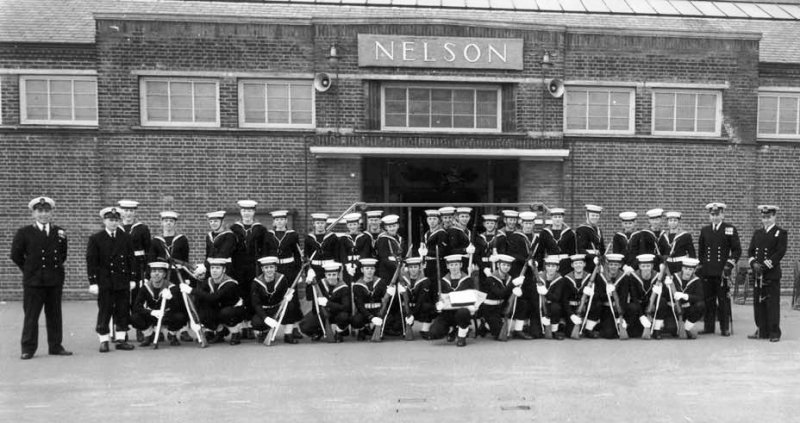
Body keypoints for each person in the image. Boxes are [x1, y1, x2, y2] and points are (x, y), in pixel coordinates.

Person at [11, 196, 71, 360]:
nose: (43, 214)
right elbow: (15, 255)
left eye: (46, 211)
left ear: (51, 213)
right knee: (31, 315)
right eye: (40, 211)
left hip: (54, 281)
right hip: (33, 282)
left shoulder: (59, 232)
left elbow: (62, 255)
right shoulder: (24, 233)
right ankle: (28, 348)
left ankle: (55, 346)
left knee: (54, 315)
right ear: (33, 214)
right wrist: (29, 269)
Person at [86, 207, 136, 352]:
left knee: (122, 309)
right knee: (105, 310)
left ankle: (121, 339)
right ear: (104, 221)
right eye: (110, 220)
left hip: (122, 280)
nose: (113, 223)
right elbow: (92, 262)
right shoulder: (96, 238)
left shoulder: (125, 237)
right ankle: (104, 339)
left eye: (116, 220)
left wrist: (132, 278)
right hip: (105, 281)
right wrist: (93, 282)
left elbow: (131, 259)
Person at [697, 202, 741, 336]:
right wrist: (701, 266)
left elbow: (737, 250)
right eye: (712, 215)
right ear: (709, 216)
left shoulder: (729, 229)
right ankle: (708, 327)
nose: (715, 217)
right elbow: (702, 251)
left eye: (717, 214)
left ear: (722, 214)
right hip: (708, 271)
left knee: (723, 301)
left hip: (722, 271)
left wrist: (729, 265)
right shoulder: (705, 230)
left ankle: (724, 327)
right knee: (708, 300)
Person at [181, 257, 245, 345]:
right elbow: (201, 296)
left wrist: (191, 290)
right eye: (212, 268)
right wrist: (190, 284)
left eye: (218, 268)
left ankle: (236, 333)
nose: (214, 271)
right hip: (219, 308)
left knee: (225, 313)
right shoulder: (209, 281)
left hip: (234, 310)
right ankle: (221, 331)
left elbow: (214, 297)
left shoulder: (230, 283)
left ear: (224, 270)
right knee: (202, 311)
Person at [747, 205, 787, 342]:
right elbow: (750, 251)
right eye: (764, 217)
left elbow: (780, 253)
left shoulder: (780, 233)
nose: (766, 220)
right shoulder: (757, 233)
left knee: (772, 304)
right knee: (758, 304)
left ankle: (774, 332)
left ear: (774, 216)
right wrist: (753, 264)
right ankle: (761, 330)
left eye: (769, 217)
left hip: (771, 274)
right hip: (758, 274)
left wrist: (764, 266)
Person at [262, 210, 304, 340]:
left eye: (282, 219)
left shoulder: (292, 235)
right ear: (274, 222)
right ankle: (271, 327)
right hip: (274, 269)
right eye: (277, 220)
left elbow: (297, 255)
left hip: (289, 269)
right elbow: (265, 253)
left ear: (286, 221)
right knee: (275, 295)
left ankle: (294, 327)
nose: (279, 222)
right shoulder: (268, 235)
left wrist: (299, 272)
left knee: (292, 297)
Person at [230, 200, 266, 339]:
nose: (247, 213)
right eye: (244, 211)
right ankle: (243, 325)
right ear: (240, 212)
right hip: (238, 267)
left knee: (254, 294)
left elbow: (264, 249)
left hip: (254, 267)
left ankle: (253, 324)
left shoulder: (260, 229)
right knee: (242, 295)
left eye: (250, 211)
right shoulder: (234, 228)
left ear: (254, 212)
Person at [129, 261, 187, 347]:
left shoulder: (172, 287)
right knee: (134, 318)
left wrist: (170, 298)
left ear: (164, 274)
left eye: (160, 271)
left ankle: (172, 334)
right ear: (150, 274)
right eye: (153, 271)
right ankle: (149, 335)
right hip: (152, 315)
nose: (156, 274)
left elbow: (179, 307)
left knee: (181, 317)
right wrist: (151, 312)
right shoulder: (145, 287)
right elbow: (136, 307)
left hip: (166, 315)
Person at [118, 200, 151, 342]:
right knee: (122, 299)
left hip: (138, 266)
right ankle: (122, 330)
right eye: (126, 210)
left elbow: (149, 250)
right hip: (122, 268)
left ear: (135, 212)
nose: (128, 213)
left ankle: (140, 328)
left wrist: (148, 270)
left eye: (131, 211)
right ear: (121, 212)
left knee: (138, 298)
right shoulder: (117, 228)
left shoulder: (142, 228)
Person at [429, 254, 477, 347]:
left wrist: (472, 305)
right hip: (447, 313)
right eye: (451, 265)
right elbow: (436, 297)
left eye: (456, 264)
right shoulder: (442, 281)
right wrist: (438, 305)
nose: (454, 267)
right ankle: (453, 330)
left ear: (461, 265)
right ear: (447, 266)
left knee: (463, 313)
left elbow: (472, 295)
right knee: (434, 333)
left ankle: (461, 336)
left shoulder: (468, 280)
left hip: (462, 311)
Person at [299, 262, 352, 342]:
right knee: (304, 326)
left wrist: (328, 303)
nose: (331, 277)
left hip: (337, 314)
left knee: (344, 317)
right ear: (325, 275)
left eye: (334, 275)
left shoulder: (343, 287)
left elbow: (346, 307)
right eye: (329, 275)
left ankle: (339, 332)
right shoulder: (320, 284)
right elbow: (309, 297)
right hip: (323, 313)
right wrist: (309, 283)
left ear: (338, 275)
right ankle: (320, 331)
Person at [250, 256, 298, 344]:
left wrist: (287, 297)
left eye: (271, 267)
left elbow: (285, 293)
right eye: (266, 267)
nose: (269, 270)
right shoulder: (256, 283)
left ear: (275, 268)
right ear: (262, 269)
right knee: (256, 322)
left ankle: (288, 334)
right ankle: (264, 332)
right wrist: (265, 318)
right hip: (264, 310)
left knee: (291, 305)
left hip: (278, 307)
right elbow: (256, 304)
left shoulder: (282, 279)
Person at [479, 254, 521, 340]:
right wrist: (513, 285)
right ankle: (485, 324)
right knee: (500, 334)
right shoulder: (491, 278)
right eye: (504, 265)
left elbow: (507, 294)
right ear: (498, 265)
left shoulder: (508, 277)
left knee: (522, 303)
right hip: (489, 309)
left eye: (508, 265)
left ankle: (519, 330)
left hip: (501, 306)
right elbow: (500, 293)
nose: (506, 267)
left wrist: (517, 291)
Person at [617, 254, 657, 338]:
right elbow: (634, 297)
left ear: (652, 266)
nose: (646, 268)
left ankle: (657, 330)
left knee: (662, 302)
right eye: (643, 266)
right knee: (634, 333)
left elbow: (663, 297)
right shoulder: (633, 277)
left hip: (651, 305)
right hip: (638, 305)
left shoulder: (657, 276)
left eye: (648, 266)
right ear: (639, 266)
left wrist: (661, 290)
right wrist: (642, 316)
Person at [672, 257, 705, 340]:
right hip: (675, 309)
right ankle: (678, 327)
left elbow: (700, 297)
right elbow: (666, 294)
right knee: (671, 330)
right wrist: (666, 285)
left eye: (690, 270)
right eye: (686, 269)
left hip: (689, 309)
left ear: (694, 271)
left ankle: (687, 327)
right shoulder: (674, 278)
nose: (688, 271)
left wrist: (685, 296)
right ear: (682, 268)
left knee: (700, 305)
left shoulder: (696, 280)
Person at [406, 257, 436, 339]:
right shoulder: (403, 280)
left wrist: (412, 314)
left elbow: (422, 299)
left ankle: (425, 330)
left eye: (415, 267)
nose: (413, 269)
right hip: (406, 308)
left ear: (419, 268)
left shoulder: (425, 281)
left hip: (419, 308)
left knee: (427, 306)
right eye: (411, 267)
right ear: (407, 268)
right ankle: (403, 327)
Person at [576, 204, 605, 274]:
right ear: (587, 215)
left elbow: (602, 248)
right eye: (592, 215)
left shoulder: (598, 230)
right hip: (587, 262)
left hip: (598, 262)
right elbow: (580, 249)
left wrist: (602, 257)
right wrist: (593, 257)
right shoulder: (582, 229)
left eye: (597, 216)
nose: (595, 217)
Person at [375, 214, 405, 280]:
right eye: (389, 226)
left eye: (394, 226)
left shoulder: (400, 238)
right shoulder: (383, 239)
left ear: (398, 226)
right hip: (386, 271)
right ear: (386, 228)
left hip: (398, 269)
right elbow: (383, 257)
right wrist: (397, 265)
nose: (392, 228)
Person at [548, 208, 575, 276]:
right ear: (551, 218)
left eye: (560, 217)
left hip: (566, 263)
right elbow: (541, 251)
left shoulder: (569, 233)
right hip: (550, 264)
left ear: (563, 218)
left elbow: (572, 251)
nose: (557, 219)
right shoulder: (545, 233)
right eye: (555, 217)